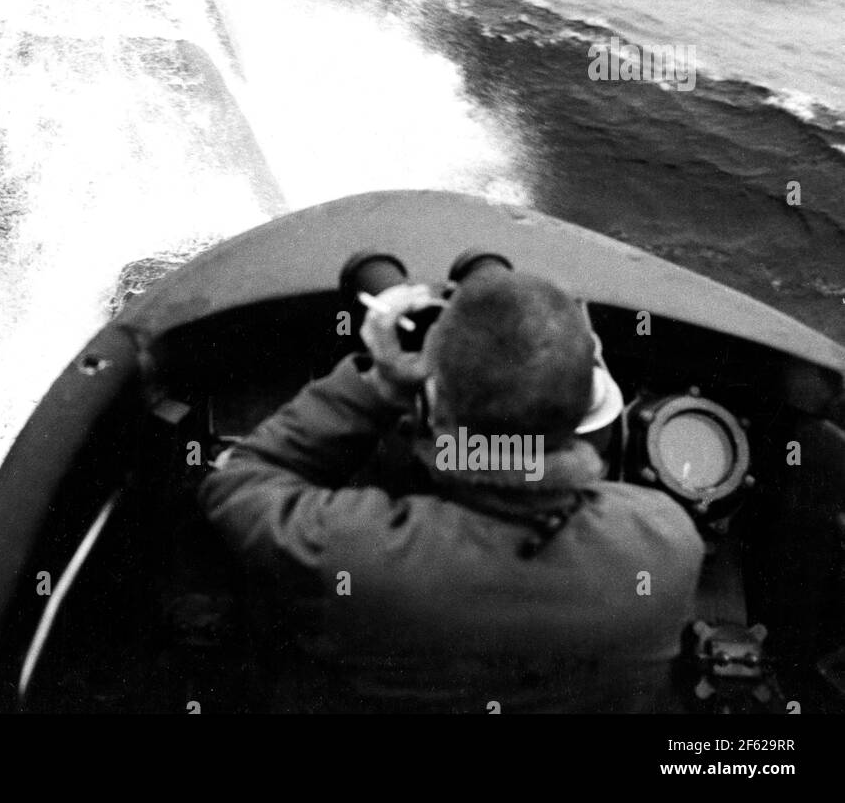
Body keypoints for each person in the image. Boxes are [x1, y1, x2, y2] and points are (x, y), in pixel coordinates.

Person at [198, 264, 705, 712]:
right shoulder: (665, 542)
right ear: (588, 406)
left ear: (435, 405)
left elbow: (238, 482)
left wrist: (380, 386)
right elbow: (528, 463)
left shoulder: (350, 553)